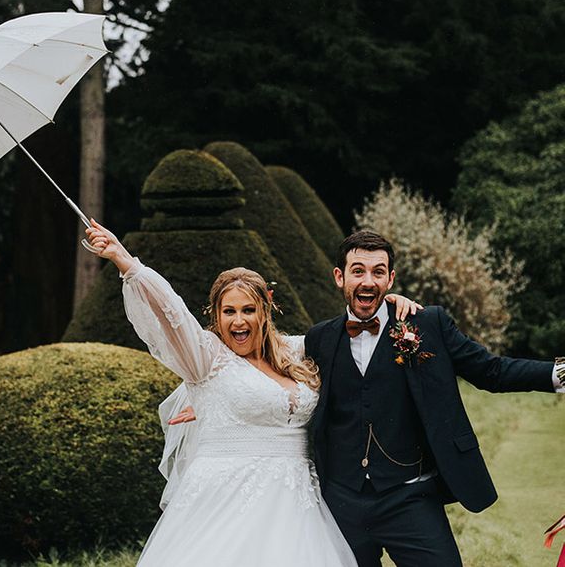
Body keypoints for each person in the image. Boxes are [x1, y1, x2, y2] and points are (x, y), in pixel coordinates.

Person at [172, 229, 565, 567]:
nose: (368, 281)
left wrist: (558, 373)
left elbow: (491, 371)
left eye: (378, 272)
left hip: (411, 494)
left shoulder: (426, 324)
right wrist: (213, 402)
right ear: (339, 277)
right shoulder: (319, 339)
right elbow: (265, 366)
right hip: (340, 501)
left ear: (391, 278)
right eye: (358, 271)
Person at [85, 219, 418, 566]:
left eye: (248, 310)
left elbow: (350, 330)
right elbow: (172, 313)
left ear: (266, 310)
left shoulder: (296, 351)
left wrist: (386, 303)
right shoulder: (206, 357)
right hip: (226, 500)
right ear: (216, 314)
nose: (239, 321)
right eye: (229, 312)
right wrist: (127, 262)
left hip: (299, 505)